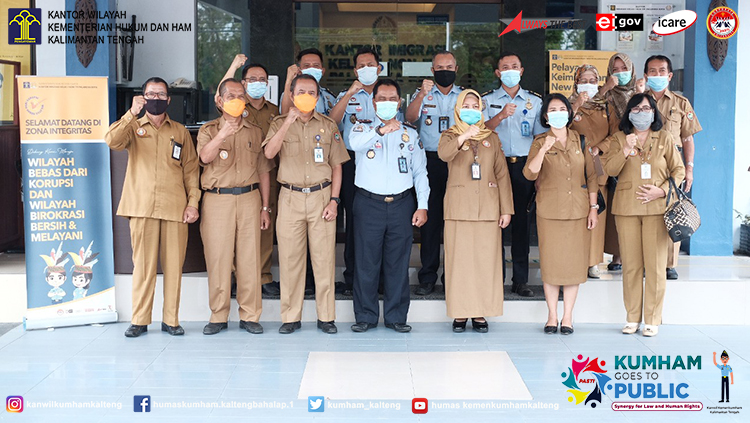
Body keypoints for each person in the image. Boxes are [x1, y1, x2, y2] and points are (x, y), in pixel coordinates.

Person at [106, 77, 201, 338]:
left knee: (173, 268)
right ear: (143, 97)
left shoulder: (180, 131)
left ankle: (171, 320)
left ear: (169, 100)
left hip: (174, 208)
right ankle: (139, 319)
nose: (156, 99)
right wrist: (130, 113)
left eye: (161, 95)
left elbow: (191, 170)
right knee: (144, 267)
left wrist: (193, 203)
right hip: (142, 207)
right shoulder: (133, 127)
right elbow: (112, 141)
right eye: (151, 94)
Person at [263, 74, 350, 334]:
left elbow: (337, 166)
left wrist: (334, 201)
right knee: (290, 260)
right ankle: (290, 317)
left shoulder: (327, 125)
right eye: (301, 91)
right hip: (289, 197)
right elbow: (268, 154)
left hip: (321, 197)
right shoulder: (279, 123)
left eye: (311, 92)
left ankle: (326, 317)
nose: (306, 96)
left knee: (323, 259)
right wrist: (287, 121)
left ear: (317, 96)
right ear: (291, 95)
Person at [348, 79, 429, 333]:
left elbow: (420, 173)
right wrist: (381, 131)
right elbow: (355, 146)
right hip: (368, 203)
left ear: (399, 102)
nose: (386, 103)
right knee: (366, 262)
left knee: (397, 262)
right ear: (373, 103)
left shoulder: (410, 134)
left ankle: (396, 316)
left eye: (391, 98)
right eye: (381, 99)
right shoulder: (361, 129)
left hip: (401, 205)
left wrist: (422, 205)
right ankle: (365, 316)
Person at [603, 93, 685, 337]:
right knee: (631, 266)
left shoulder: (665, 138)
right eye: (637, 108)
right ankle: (632, 318)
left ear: (654, 112)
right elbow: (609, 169)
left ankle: (652, 319)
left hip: (657, 210)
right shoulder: (619, 138)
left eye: (647, 108)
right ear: (629, 113)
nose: (642, 112)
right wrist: (626, 149)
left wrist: (662, 191)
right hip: (627, 208)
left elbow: (678, 170)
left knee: (656, 267)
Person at [198, 78, 275, 336]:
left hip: (249, 198)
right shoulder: (209, 129)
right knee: (218, 258)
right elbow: (205, 157)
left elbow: (264, 170)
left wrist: (265, 207)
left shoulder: (254, 131)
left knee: (249, 259)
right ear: (219, 101)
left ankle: (250, 315)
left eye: (241, 95)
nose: (237, 99)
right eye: (231, 95)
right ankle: (218, 315)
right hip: (217, 199)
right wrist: (223, 134)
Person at [437, 89, 513, 333]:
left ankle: (480, 313)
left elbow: (502, 173)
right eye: (466, 105)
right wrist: (464, 136)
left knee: (484, 262)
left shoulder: (491, 137)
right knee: (459, 263)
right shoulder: (449, 135)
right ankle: (460, 313)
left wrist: (506, 209)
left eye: (475, 105)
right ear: (458, 109)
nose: (471, 109)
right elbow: (443, 155)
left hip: (488, 209)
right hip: (459, 208)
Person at [523, 94, 599, 335]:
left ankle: (567, 317)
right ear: (546, 116)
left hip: (578, 210)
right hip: (550, 211)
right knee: (552, 265)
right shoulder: (539, 141)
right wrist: (544, 149)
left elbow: (593, 176)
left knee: (574, 266)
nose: (557, 112)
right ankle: (552, 316)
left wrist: (593, 208)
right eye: (552, 109)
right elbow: (529, 174)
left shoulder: (582, 140)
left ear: (568, 113)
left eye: (561, 108)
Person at [329, 45, 392, 296]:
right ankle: (352, 276)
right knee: (354, 221)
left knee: (380, 222)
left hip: (383, 163)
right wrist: (349, 95)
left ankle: (381, 279)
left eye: (371, 64)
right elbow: (331, 122)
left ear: (380, 67)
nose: (367, 69)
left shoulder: (389, 93)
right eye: (361, 65)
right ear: (356, 70)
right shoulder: (347, 94)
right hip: (352, 163)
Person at [482, 52, 545, 297]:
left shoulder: (534, 101)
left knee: (521, 224)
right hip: (495, 166)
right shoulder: (486, 100)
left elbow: (541, 138)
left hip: (523, 167)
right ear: (497, 73)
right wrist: (500, 116)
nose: (510, 70)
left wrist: (538, 173)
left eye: (514, 66)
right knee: (494, 223)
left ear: (521, 71)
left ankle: (520, 280)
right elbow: (480, 130)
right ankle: (494, 278)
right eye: (504, 67)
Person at [216, 56, 281, 296]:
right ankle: (236, 276)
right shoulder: (235, 107)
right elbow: (220, 94)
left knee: (264, 227)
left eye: (262, 80)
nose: (257, 83)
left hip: (267, 175)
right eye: (252, 80)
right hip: (238, 176)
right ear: (242, 84)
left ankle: (263, 277)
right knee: (235, 231)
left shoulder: (274, 111)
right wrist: (232, 66)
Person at [406, 50, 463, 296]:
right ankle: (428, 276)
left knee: (455, 220)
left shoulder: (466, 96)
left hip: (459, 161)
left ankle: (454, 276)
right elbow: (409, 118)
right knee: (430, 221)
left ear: (456, 68)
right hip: (429, 160)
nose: (445, 70)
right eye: (440, 67)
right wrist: (421, 93)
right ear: (432, 70)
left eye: (449, 66)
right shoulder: (423, 94)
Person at [643, 55, 702, 280]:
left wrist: (689, 168)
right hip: (645, 162)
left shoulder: (680, 103)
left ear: (669, 75)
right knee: (648, 211)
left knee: (672, 210)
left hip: (673, 164)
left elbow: (687, 138)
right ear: (646, 75)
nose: (657, 75)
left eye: (661, 71)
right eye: (652, 71)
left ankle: (669, 263)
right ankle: (648, 260)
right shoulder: (639, 100)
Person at [569, 64, 613, 279]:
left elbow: (615, 134)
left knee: (598, 215)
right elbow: (560, 127)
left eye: (592, 80)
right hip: (574, 167)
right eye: (583, 79)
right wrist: (577, 104)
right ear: (576, 83)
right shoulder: (568, 105)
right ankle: (576, 258)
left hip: (598, 165)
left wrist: (600, 148)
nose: (588, 83)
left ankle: (593, 262)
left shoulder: (606, 106)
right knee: (577, 214)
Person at [600, 53, 641, 272]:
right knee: (618, 206)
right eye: (615, 69)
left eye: (623, 68)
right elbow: (591, 107)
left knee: (638, 203)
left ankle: (635, 257)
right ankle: (617, 256)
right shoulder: (605, 95)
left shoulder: (640, 93)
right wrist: (606, 88)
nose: (619, 73)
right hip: (615, 152)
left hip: (640, 154)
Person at [280, 48, 337, 116]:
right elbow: (285, 116)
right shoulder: (291, 94)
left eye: (316, 65)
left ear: (322, 71)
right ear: (299, 71)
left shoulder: (329, 97)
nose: (311, 68)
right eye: (307, 66)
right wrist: (289, 81)